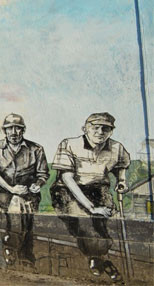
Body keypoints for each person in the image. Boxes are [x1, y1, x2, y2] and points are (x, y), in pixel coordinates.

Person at [50, 112, 130, 282]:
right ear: (85, 128)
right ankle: (99, 259)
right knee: (84, 220)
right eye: (95, 128)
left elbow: (121, 165)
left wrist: (122, 181)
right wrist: (91, 207)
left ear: (111, 131)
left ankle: (97, 258)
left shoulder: (117, 147)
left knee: (106, 222)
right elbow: (67, 178)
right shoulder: (69, 144)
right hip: (68, 190)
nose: (100, 132)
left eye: (105, 129)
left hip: (99, 189)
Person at [0, 113, 48, 266]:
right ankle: (22, 250)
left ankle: (12, 245)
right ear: (4, 130)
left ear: (23, 130)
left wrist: (37, 185)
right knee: (17, 202)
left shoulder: (36, 149)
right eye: (10, 128)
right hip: (3, 190)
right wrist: (11, 189)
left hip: (28, 191)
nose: (14, 132)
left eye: (18, 128)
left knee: (25, 206)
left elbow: (43, 174)